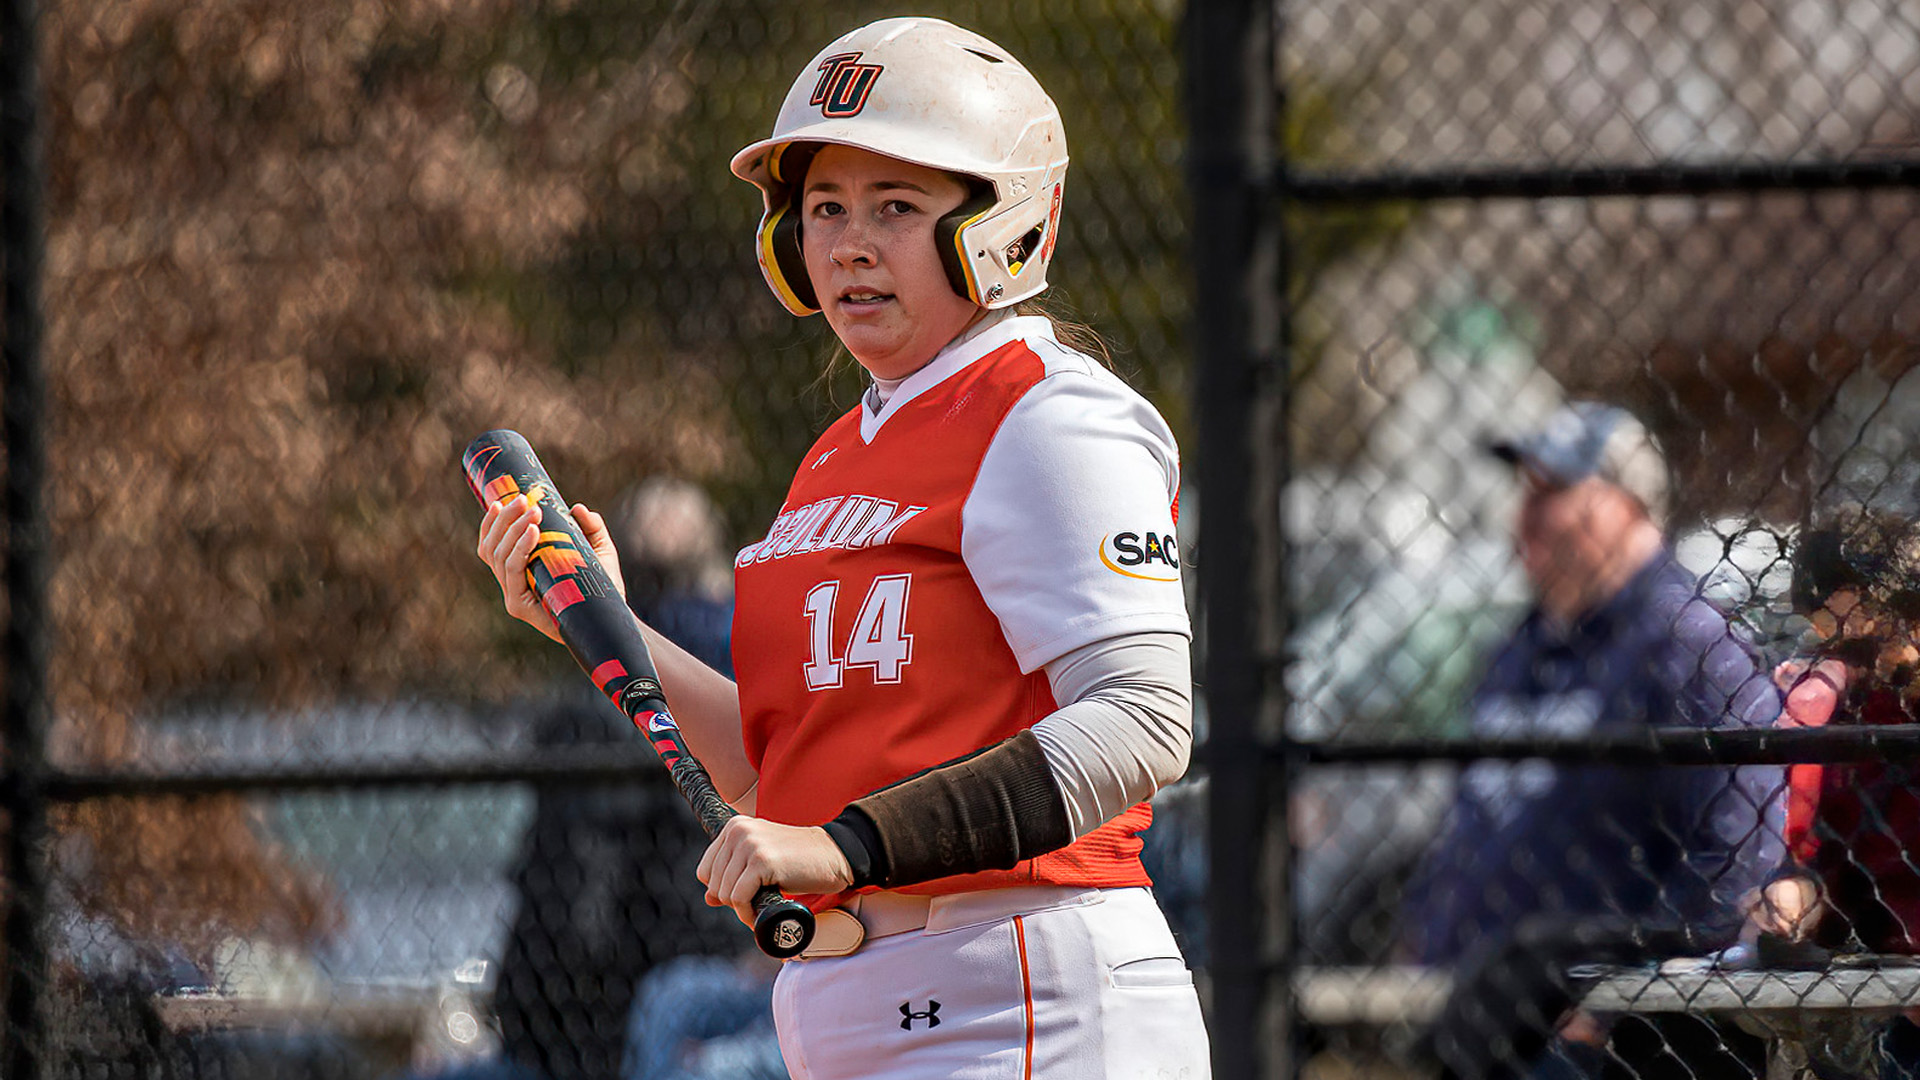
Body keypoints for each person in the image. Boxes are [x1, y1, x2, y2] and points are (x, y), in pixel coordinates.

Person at [476, 17, 1208, 1080]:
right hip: (868, 1015)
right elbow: (781, 770)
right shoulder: (839, 452)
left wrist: (846, 847)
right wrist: (600, 622)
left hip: (1021, 1004)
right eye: (823, 209)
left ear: (1002, 226)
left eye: (896, 208)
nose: (849, 244)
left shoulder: (1051, 416)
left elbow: (1144, 723)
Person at [1401, 402, 1785, 1080]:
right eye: (1525, 494)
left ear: (1626, 505)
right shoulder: (1519, 649)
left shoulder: (1688, 643)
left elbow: (1739, 842)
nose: (1525, 516)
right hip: (1488, 1018)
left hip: (1606, 1043)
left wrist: (1617, 992)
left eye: (1551, 493)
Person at [1756, 507, 1920, 1079]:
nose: (1829, 638)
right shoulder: (1854, 704)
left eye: (1834, 615)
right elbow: (1835, 846)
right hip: (1886, 988)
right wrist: (1800, 888)